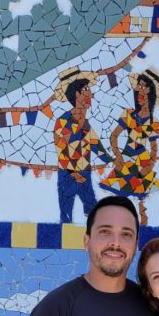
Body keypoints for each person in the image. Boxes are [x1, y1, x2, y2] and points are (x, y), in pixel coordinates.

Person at [22, 196, 157, 316]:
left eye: (126, 234)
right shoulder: (55, 308)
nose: (115, 243)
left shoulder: (152, 305)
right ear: (87, 242)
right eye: (105, 231)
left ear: (135, 245)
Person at [100, 69, 159, 225]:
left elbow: (154, 147)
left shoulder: (153, 122)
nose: (139, 89)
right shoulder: (129, 115)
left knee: (141, 198)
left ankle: (142, 224)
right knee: (121, 194)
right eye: (138, 86)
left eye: (143, 86)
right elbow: (114, 136)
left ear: (150, 91)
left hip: (143, 160)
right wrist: (117, 156)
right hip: (126, 157)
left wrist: (150, 165)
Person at [53, 67, 112, 223]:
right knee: (66, 214)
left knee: (92, 210)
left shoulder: (85, 124)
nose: (89, 94)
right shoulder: (64, 121)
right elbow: (62, 151)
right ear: (76, 94)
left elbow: (95, 145)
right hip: (68, 175)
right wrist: (73, 173)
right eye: (85, 89)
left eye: (89, 90)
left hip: (84, 173)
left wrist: (111, 161)